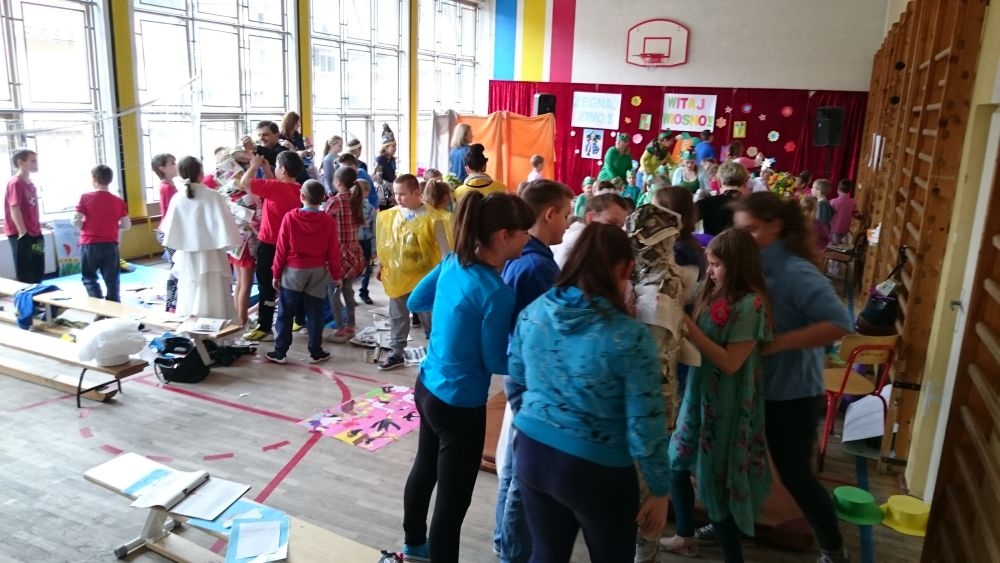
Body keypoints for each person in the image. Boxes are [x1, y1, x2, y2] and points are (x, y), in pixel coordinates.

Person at [509, 223, 670, 563]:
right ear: (624, 269)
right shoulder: (630, 337)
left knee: (546, 554)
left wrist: (541, 417)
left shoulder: (534, 312)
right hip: (597, 468)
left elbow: (517, 379)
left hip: (532, 451)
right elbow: (645, 424)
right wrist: (659, 487)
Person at [400, 191, 535, 563]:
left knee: (424, 469)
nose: (529, 238)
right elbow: (493, 360)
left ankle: (414, 545)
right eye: (525, 232)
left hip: (427, 388)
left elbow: (415, 301)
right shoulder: (496, 292)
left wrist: (452, 319)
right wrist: (534, 363)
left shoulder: (452, 262)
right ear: (504, 236)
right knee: (453, 501)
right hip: (460, 406)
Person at [730, 192, 853, 563]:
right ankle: (734, 525)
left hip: (792, 393)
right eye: (740, 231)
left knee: (795, 474)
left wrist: (777, 344)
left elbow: (839, 323)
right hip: (756, 387)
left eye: (751, 230)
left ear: (776, 227)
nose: (744, 238)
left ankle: (833, 549)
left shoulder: (794, 271)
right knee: (743, 463)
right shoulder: (754, 265)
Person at [660, 229, 772, 562]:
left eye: (716, 265)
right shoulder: (711, 290)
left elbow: (730, 363)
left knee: (714, 484)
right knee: (676, 462)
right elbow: (681, 291)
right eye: (709, 263)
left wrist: (689, 327)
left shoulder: (751, 304)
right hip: (698, 393)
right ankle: (685, 536)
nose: (709, 271)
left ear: (737, 266)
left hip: (726, 404)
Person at [494, 180, 574, 563]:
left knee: (514, 465)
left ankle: (506, 543)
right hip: (531, 377)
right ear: (549, 214)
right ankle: (513, 551)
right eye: (566, 215)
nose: (568, 224)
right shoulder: (539, 267)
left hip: (519, 369)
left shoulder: (522, 257)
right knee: (520, 472)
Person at [374, 174, 450, 371]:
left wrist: (443, 278)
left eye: (403, 194)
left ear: (417, 193)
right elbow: (388, 245)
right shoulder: (392, 215)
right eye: (395, 194)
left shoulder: (432, 218)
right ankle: (396, 353)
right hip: (399, 277)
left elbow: (445, 253)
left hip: (425, 280)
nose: (397, 198)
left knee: (430, 319)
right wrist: (382, 266)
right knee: (397, 316)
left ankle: (437, 354)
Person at [266, 179, 343, 365]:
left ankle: (280, 352)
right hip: (318, 271)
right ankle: (316, 352)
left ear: (301, 196)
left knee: (285, 312)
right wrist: (337, 275)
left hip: (293, 271)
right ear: (323, 198)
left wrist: (276, 273)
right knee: (315, 313)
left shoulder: (290, 218)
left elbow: (281, 249)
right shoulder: (327, 221)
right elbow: (333, 251)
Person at [159, 157, 241, 319]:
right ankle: (216, 325)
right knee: (213, 291)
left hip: (187, 255)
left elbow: (168, 229)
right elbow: (226, 227)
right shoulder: (213, 196)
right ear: (201, 174)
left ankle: (192, 323)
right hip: (211, 254)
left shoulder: (178, 198)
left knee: (190, 288)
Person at [240, 151, 305, 341]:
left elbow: (244, 183)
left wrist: (253, 166)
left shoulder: (275, 188)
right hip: (291, 246)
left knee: (266, 285)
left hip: (270, 245)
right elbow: (276, 185)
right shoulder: (298, 189)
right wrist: (267, 169)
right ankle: (299, 319)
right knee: (291, 284)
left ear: (282, 170)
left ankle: (264, 326)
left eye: (277, 166)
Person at [72, 165, 130, 302]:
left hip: (89, 244)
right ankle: (114, 306)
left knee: (89, 277)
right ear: (110, 179)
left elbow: (75, 220)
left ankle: (97, 302)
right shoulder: (118, 201)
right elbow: (127, 225)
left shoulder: (85, 197)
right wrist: (113, 227)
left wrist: (84, 228)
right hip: (110, 245)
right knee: (112, 279)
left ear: (94, 178)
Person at [324, 166, 367, 343]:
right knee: (348, 290)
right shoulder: (356, 199)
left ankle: (340, 329)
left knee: (334, 291)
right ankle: (351, 325)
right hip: (354, 253)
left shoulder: (334, 201)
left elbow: (323, 223)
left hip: (337, 255)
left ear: (338, 182)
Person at [553, 193, 628, 268]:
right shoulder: (580, 239)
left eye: (620, 227)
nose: (618, 232)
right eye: (612, 223)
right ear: (590, 218)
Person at [4, 149, 43, 283]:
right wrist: (23, 232)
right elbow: (14, 207)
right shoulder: (15, 183)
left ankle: (39, 293)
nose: (36, 164)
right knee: (26, 269)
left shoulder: (31, 184)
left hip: (35, 231)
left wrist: (37, 227)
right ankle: (27, 294)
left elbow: (31, 208)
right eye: (32, 161)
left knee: (38, 266)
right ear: (21, 162)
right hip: (21, 233)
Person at [697, 161, 747, 236]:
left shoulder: (708, 202)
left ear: (719, 182)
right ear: (745, 182)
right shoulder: (754, 204)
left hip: (713, 243)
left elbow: (684, 218)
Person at [278, 111, 313, 184]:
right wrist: (295, 151)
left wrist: (307, 152)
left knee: (307, 182)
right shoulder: (280, 137)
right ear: (290, 123)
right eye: (297, 123)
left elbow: (302, 150)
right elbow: (283, 156)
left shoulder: (298, 136)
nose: (299, 125)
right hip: (288, 168)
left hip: (299, 166)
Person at [357, 179, 377, 305]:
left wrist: (374, 249)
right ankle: (349, 294)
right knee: (351, 269)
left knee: (367, 269)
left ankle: (363, 292)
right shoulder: (347, 207)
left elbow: (374, 230)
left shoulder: (370, 209)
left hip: (365, 243)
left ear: (366, 193)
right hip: (353, 243)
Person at [829, 180, 857, 246]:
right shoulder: (852, 202)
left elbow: (828, 215)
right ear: (850, 190)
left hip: (834, 229)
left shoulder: (833, 202)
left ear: (838, 189)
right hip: (845, 230)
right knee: (840, 246)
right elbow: (855, 214)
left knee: (832, 247)